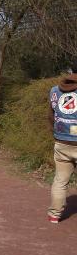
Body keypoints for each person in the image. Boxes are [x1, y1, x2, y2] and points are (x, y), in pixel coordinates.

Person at [47, 68, 77, 223]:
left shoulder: (54, 91)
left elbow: (51, 115)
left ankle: (54, 215)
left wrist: (57, 133)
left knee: (60, 180)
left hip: (61, 142)